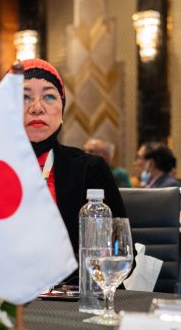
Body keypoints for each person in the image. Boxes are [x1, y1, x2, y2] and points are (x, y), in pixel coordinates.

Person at [21, 58, 125, 283]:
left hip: (73, 298)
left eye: (49, 96)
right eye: (24, 96)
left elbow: (119, 252)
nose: (37, 107)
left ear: (62, 110)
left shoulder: (90, 169)